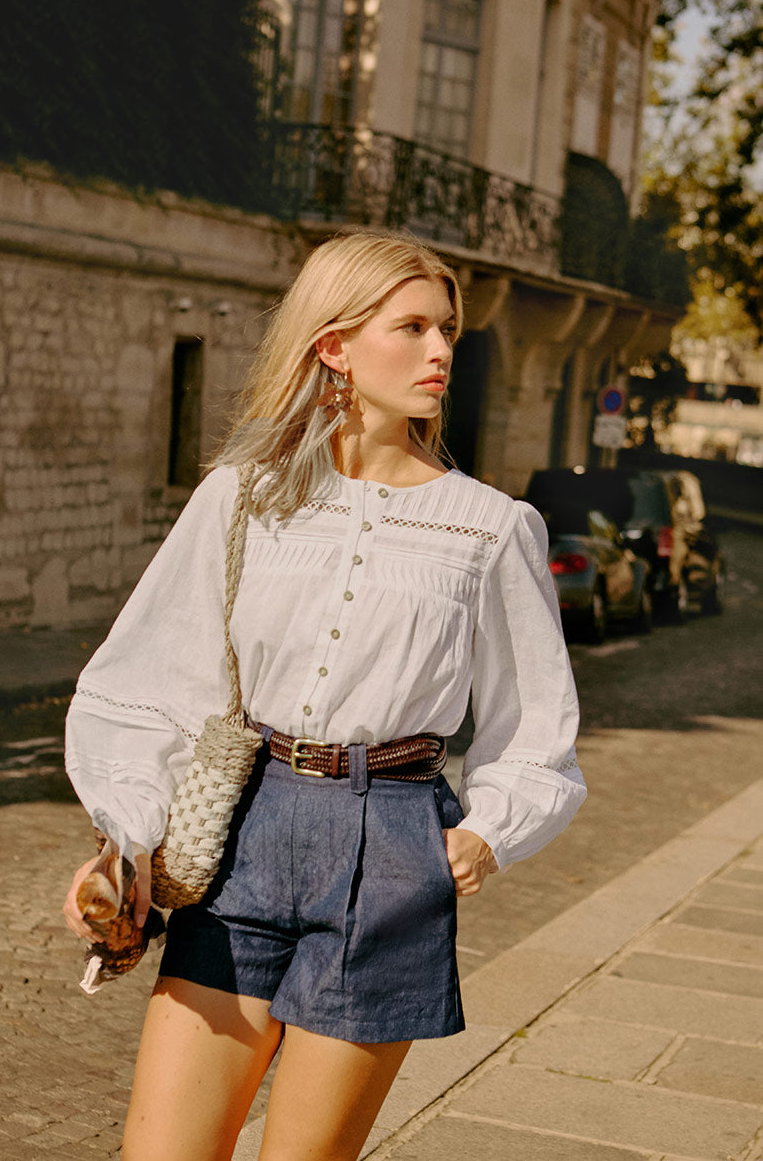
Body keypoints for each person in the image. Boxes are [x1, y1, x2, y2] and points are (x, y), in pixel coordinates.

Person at [62, 231, 586, 1161]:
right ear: (334, 345)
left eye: (447, 330)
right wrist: (126, 839)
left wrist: (486, 833)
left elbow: (534, 720)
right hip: (245, 834)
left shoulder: (490, 528)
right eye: (412, 327)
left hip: (393, 845)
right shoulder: (243, 497)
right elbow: (152, 680)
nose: (440, 350)